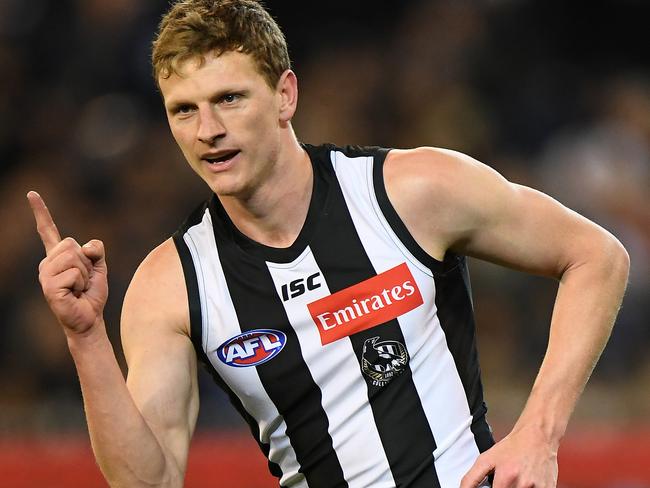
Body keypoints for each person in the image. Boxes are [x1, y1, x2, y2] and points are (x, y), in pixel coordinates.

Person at [27, 1, 630, 487]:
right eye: (183, 110)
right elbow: (150, 480)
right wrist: (85, 340)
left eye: (229, 99)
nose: (207, 130)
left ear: (285, 95)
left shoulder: (410, 191)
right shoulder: (172, 283)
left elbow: (597, 256)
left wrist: (539, 432)